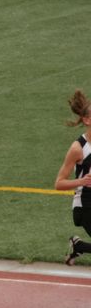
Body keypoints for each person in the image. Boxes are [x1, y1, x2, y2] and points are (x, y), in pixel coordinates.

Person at [55, 89, 91, 266]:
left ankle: (79, 246)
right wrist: (82, 181)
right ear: (87, 120)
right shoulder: (78, 148)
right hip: (85, 206)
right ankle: (79, 246)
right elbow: (59, 183)